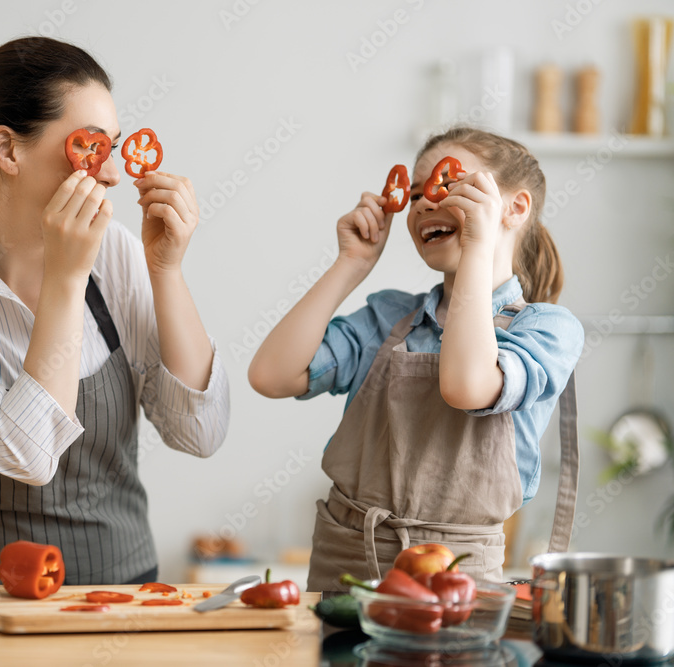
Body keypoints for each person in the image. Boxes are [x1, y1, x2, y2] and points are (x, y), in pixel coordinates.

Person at [0, 37, 229, 585]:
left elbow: (200, 435)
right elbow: (28, 457)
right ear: (7, 150)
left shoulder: (118, 253)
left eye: (116, 147)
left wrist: (166, 270)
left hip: (125, 597)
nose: (111, 175)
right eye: (91, 147)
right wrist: (66, 276)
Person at [248, 126, 583, 588]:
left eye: (449, 185)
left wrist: (478, 250)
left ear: (515, 208)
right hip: (345, 560)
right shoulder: (387, 317)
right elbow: (271, 376)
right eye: (417, 193)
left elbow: (467, 386)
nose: (425, 202)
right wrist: (352, 264)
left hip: (458, 574)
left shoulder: (546, 329)